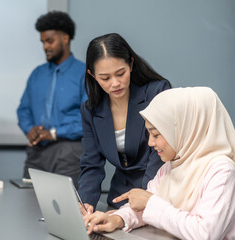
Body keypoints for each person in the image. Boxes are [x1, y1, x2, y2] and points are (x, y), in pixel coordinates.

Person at [84, 87, 235, 239]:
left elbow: (205, 234)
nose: (150, 142)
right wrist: (117, 219)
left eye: (156, 134)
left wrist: (150, 202)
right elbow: (144, 207)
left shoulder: (222, 170)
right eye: (148, 134)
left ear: (183, 129)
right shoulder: (170, 167)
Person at [78, 33, 171, 210]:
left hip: (156, 195)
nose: (115, 83)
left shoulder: (156, 92)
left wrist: (138, 206)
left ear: (131, 64)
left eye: (120, 73)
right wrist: (85, 204)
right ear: (92, 75)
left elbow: (159, 156)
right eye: (105, 78)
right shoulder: (90, 110)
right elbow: (91, 164)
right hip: (118, 198)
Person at [17, 11, 86, 186]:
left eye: (49, 41)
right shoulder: (37, 74)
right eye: (42, 42)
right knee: (27, 203)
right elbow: (23, 110)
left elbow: (88, 119)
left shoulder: (83, 74)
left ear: (65, 38)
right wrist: (29, 129)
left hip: (68, 151)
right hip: (36, 151)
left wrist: (54, 133)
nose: (45, 47)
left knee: (66, 209)